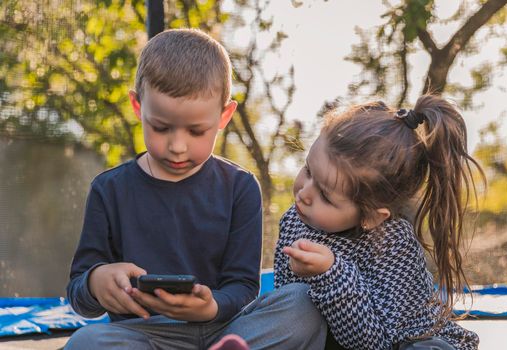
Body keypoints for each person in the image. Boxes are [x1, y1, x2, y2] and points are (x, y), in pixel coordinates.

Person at [65, 28, 325, 350]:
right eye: (160, 127)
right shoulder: (109, 190)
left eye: (196, 131)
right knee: (87, 342)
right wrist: (95, 282)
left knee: (302, 305)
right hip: (147, 335)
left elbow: (243, 286)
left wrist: (211, 307)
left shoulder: (240, 187)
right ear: (137, 106)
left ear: (224, 116)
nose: (177, 146)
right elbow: (79, 294)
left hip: (227, 332)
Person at [274, 96, 482, 350]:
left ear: (372, 216)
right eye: (308, 170)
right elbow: (287, 307)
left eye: (326, 196)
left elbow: (373, 343)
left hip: (402, 341)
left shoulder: (393, 244)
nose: (304, 193)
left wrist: (330, 273)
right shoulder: (294, 221)